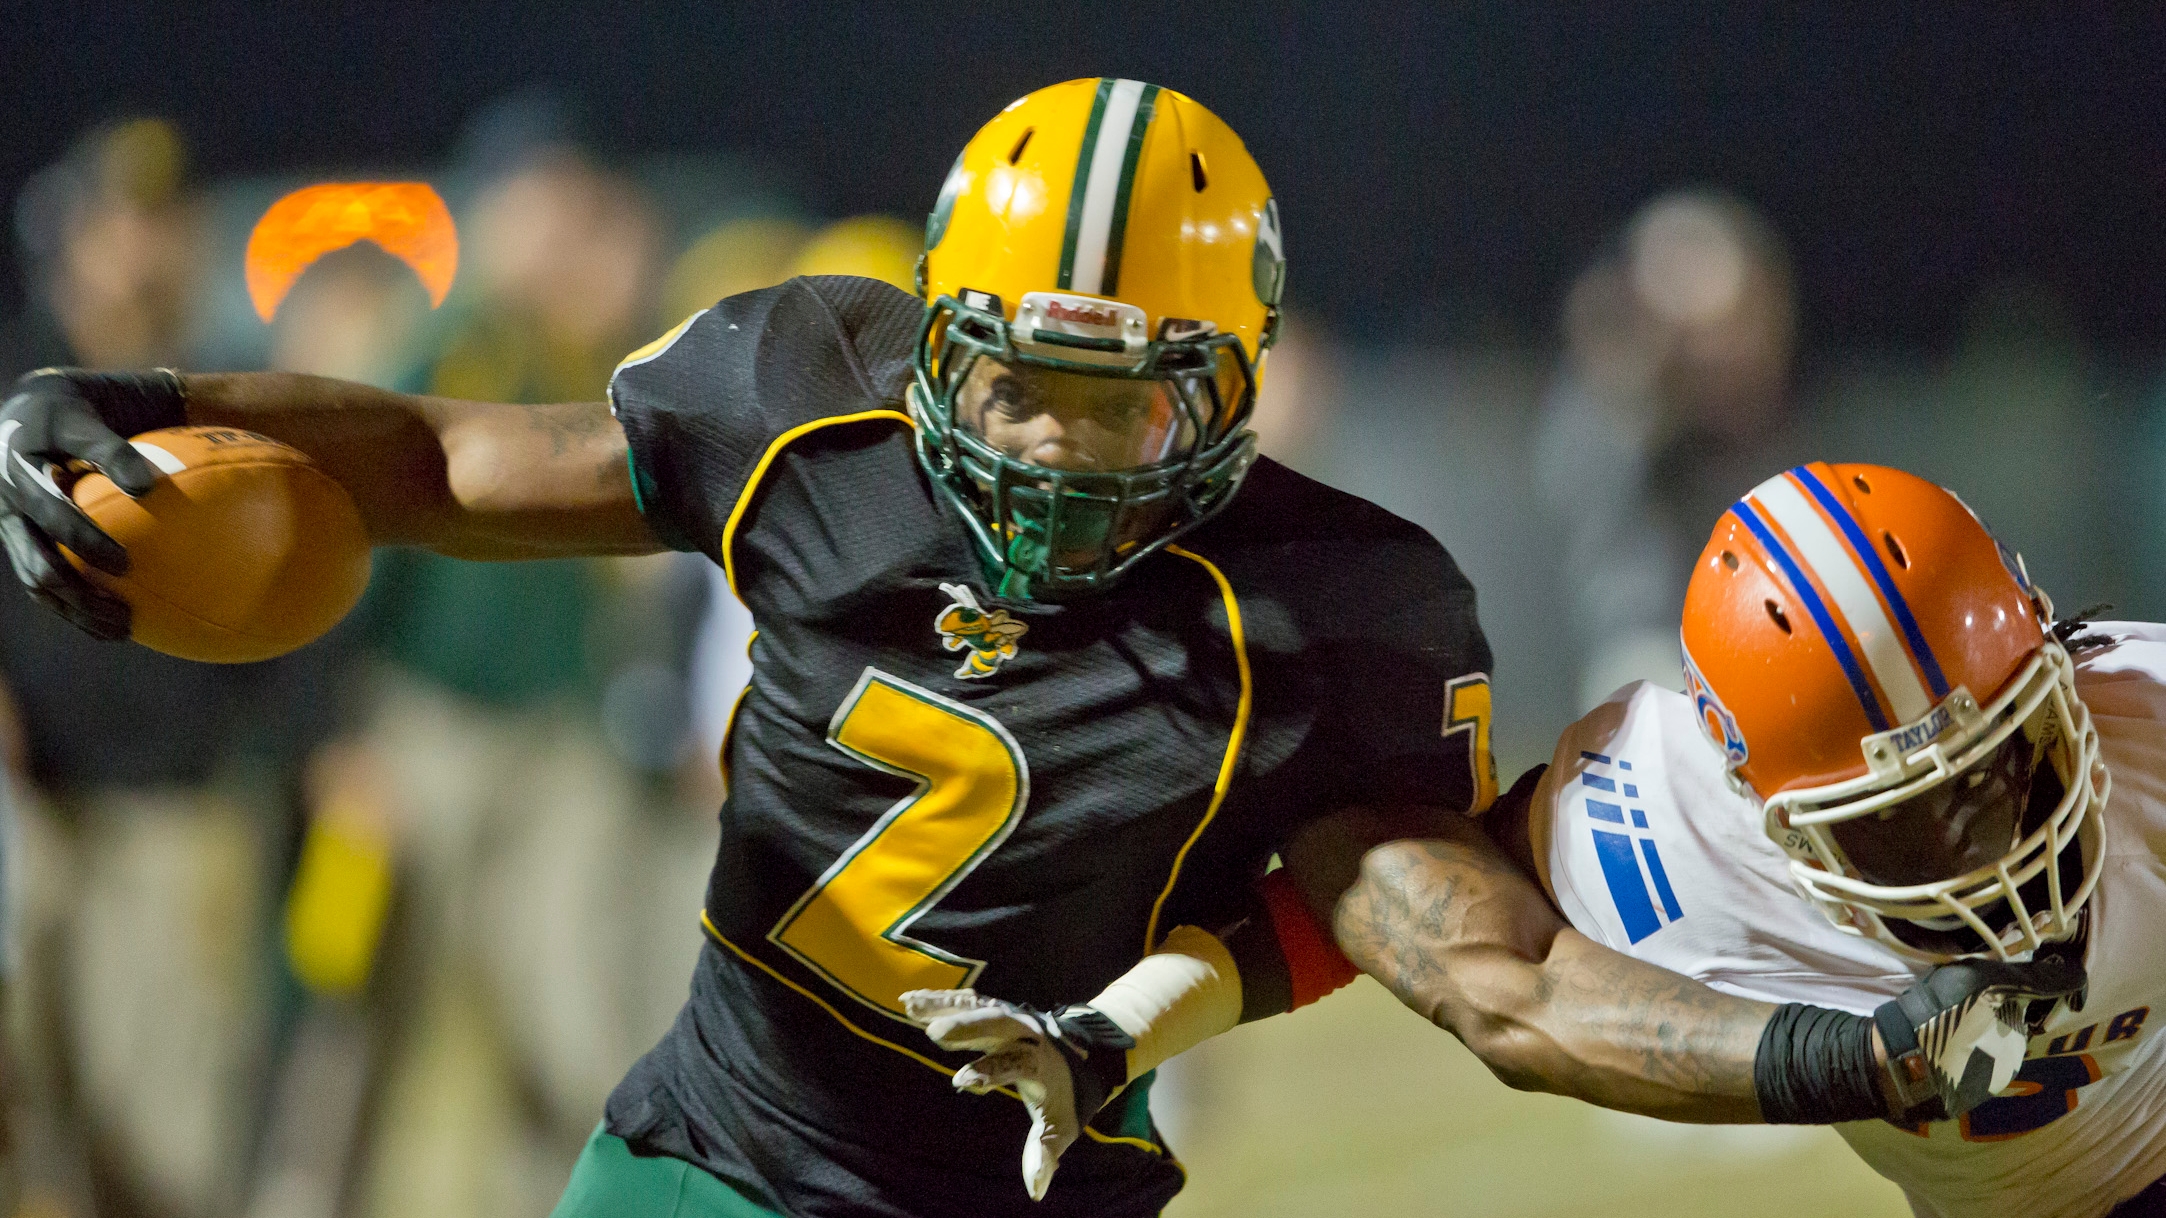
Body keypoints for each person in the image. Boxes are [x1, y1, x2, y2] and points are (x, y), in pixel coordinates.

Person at [0, 82, 2076, 1218]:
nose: (1057, 454)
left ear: (1234, 386)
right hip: (714, 1159)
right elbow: (447, 454)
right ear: (931, 350)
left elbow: (1504, 982)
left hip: (1037, 1203)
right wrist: (159, 396)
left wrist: (1865, 1053)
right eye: (1015, 388)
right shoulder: (801, 392)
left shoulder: (1340, 610)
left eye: (1126, 403)